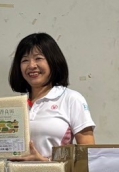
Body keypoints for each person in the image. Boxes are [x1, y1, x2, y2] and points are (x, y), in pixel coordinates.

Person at [8, 32, 95, 161]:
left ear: (53, 61)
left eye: (38, 58)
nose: (31, 65)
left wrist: (44, 162)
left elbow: (88, 156)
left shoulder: (71, 99)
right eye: (25, 60)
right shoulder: (14, 105)